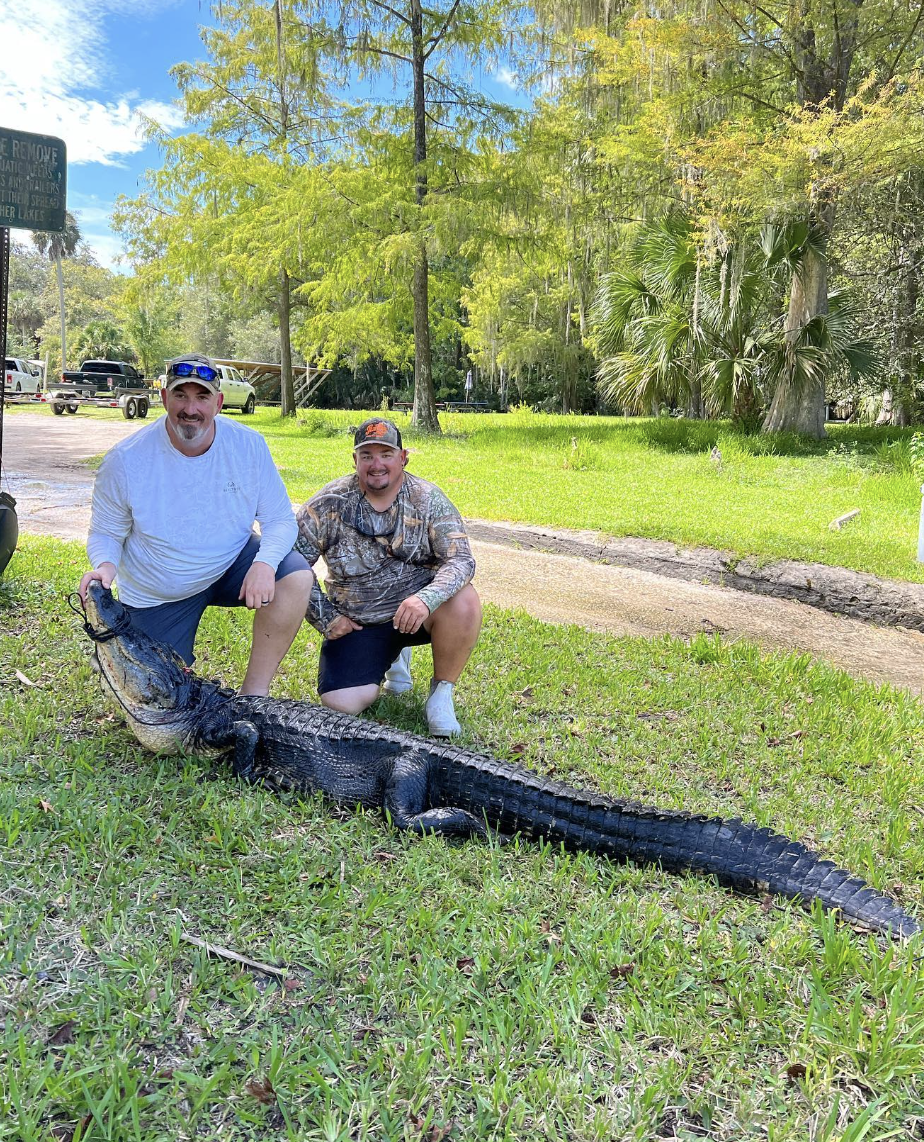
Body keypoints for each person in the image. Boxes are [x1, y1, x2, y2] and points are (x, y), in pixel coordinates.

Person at [78, 353, 313, 695]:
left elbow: (278, 519)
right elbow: (106, 532)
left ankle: (253, 696)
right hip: (158, 591)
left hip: (231, 563)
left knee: (295, 575)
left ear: (218, 402)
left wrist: (264, 564)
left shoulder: (248, 446)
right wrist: (104, 567)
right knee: (158, 696)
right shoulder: (125, 460)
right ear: (163, 399)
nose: (191, 408)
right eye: (180, 395)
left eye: (202, 396)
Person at [295, 417, 482, 736]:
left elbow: (461, 560)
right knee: (342, 703)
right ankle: (393, 656)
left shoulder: (428, 498)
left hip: (419, 612)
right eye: (367, 455)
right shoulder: (329, 502)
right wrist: (326, 617)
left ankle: (441, 693)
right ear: (355, 460)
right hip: (361, 620)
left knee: (464, 600)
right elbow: (292, 564)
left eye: (386, 453)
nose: (376, 463)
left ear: (403, 457)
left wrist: (427, 599)